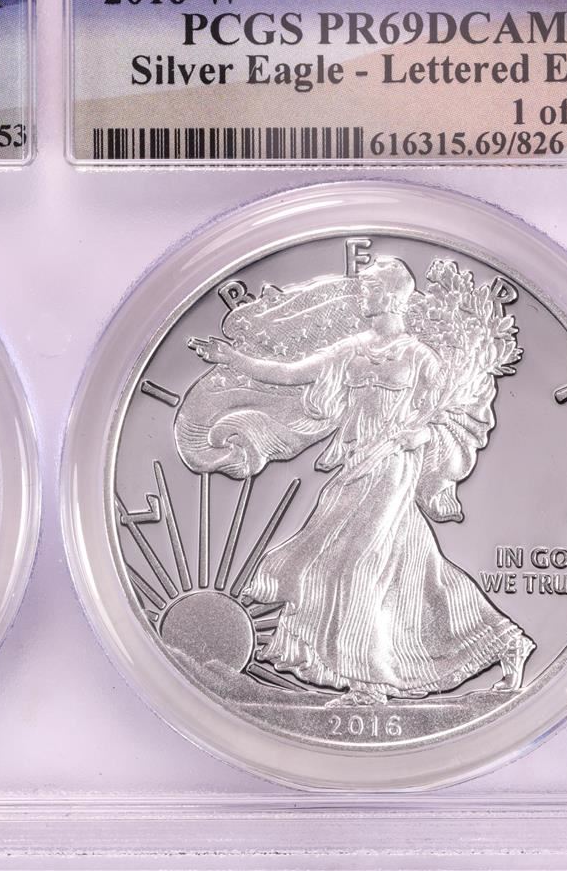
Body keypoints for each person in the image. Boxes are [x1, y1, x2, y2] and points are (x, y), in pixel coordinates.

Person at [187, 257, 533, 705]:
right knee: (416, 571)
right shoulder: (354, 348)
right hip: (355, 465)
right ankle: (506, 643)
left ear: (391, 296)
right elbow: (292, 374)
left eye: (370, 288)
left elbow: (452, 412)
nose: (362, 293)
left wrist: (419, 434)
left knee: (356, 563)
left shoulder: (420, 357)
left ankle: (369, 685)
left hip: (392, 467)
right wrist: (232, 358)